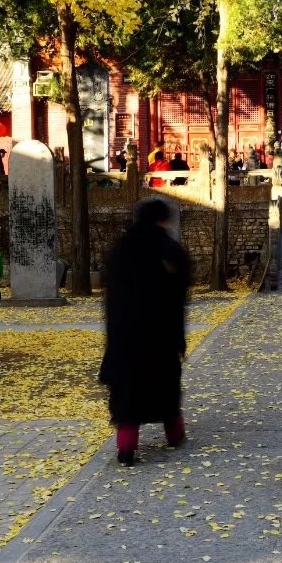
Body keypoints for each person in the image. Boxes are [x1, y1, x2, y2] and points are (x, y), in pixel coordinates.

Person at [99, 197, 193, 465]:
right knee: (165, 386)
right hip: (159, 333)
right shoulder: (168, 250)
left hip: (123, 335)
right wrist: (178, 336)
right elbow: (178, 295)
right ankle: (175, 434)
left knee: (126, 392)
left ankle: (126, 447)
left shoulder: (119, 250)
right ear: (162, 220)